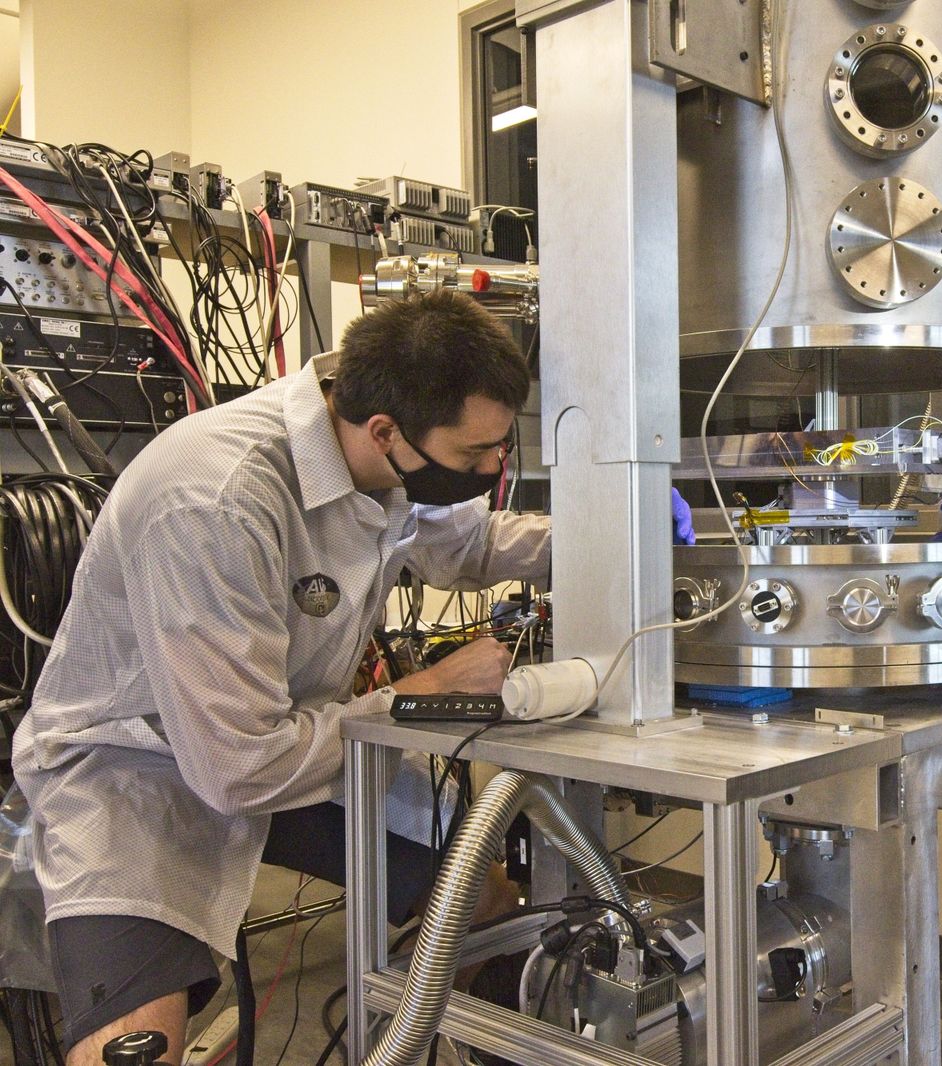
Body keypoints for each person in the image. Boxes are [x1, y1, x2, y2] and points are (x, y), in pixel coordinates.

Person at [12, 291, 686, 1063]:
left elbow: (466, 546)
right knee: (136, 1046)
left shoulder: (374, 454)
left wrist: (618, 535)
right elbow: (238, 768)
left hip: (296, 742)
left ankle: (467, 1046)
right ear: (386, 431)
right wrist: (427, 690)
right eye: (474, 455)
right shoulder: (216, 500)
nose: (491, 469)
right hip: (138, 770)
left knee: (481, 898)